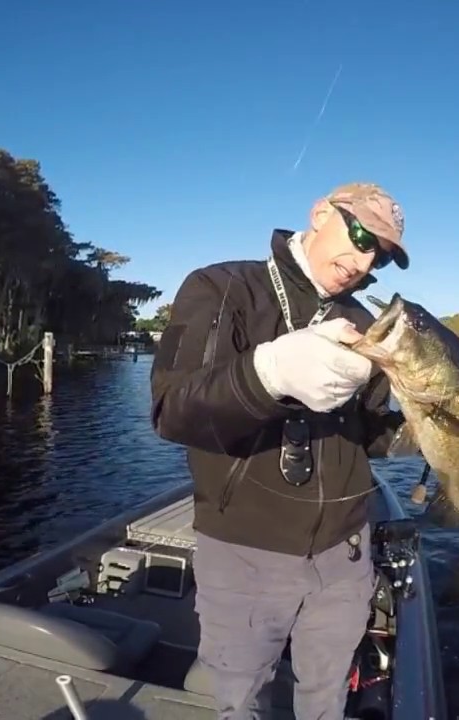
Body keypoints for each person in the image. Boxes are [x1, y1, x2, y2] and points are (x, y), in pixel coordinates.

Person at [149, 182, 411, 720]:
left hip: (345, 554)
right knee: (239, 698)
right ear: (321, 213)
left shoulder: (366, 325)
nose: (362, 260)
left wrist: (435, 426)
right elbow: (173, 411)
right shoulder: (221, 287)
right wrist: (266, 374)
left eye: (377, 254)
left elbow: (375, 433)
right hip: (245, 552)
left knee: (326, 696)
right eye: (360, 235)